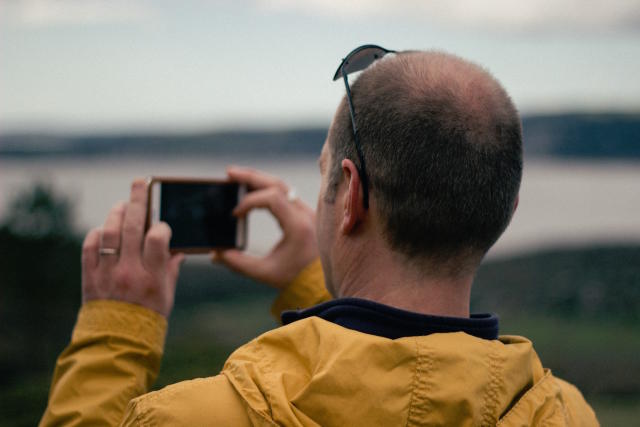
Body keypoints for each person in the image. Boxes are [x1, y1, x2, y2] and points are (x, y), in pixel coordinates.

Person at [40, 46, 599, 426]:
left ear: (350, 195)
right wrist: (317, 282)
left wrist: (116, 332)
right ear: (506, 208)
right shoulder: (566, 413)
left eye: (324, 172)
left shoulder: (192, 416)